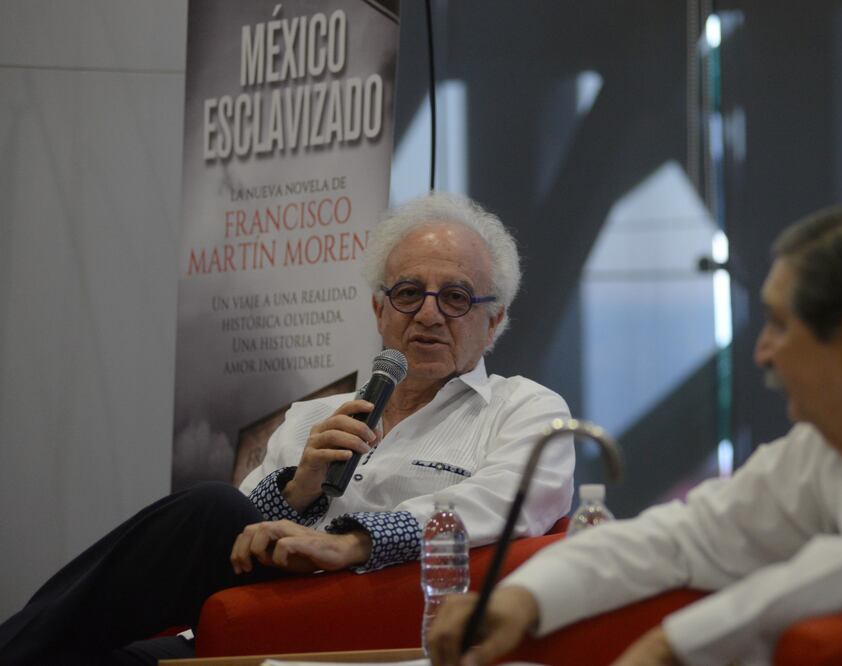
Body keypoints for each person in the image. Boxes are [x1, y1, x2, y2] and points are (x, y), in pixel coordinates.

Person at [427, 204, 842, 666]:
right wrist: (522, 596)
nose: (761, 352)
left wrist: (673, 645)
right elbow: (692, 532)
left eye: (776, 324)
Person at [0, 193, 574, 665]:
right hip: (251, 613)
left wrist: (355, 540)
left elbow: (509, 502)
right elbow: (243, 535)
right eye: (407, 294)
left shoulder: (523, 407)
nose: (427, 314)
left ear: (493, 319)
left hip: (366, 617)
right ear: (380, 311)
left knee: (206, 509)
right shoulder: (310, 418)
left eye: (454, 298)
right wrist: (297, 489)